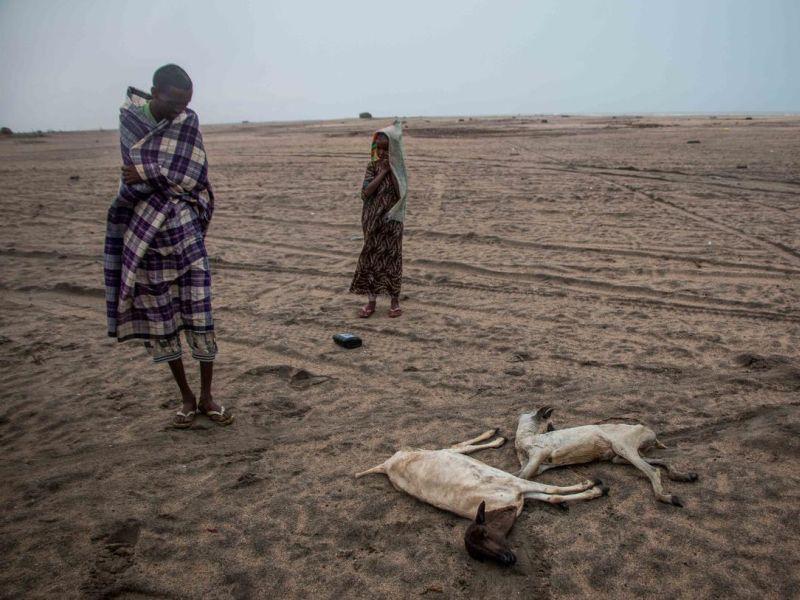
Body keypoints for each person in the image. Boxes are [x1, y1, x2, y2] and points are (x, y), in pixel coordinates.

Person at [104, 64, 232, 428]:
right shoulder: (130, 122)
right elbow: (132, 182)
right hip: (147, 235)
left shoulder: (188, 123)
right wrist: (153, 179)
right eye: (175, 101)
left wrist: (151, 174)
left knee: (200, 314)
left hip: (186, 235)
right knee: (163, 320)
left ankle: (207, 395)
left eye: (187, 102)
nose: (182, 109)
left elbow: (195, 177)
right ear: (155, 92)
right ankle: (186, 397)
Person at [349, 121, 408, 318]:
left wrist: (391, 171)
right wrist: (382, 172)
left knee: (392, 258)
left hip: (392, 221)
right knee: (371, 258)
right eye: (379, 148)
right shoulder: (373, 167)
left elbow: (402, 193)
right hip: (372, 220)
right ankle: (371, 302)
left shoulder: (399, 170)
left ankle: (394, 301)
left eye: (386, 148)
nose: (382, 153)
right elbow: (365, 193)